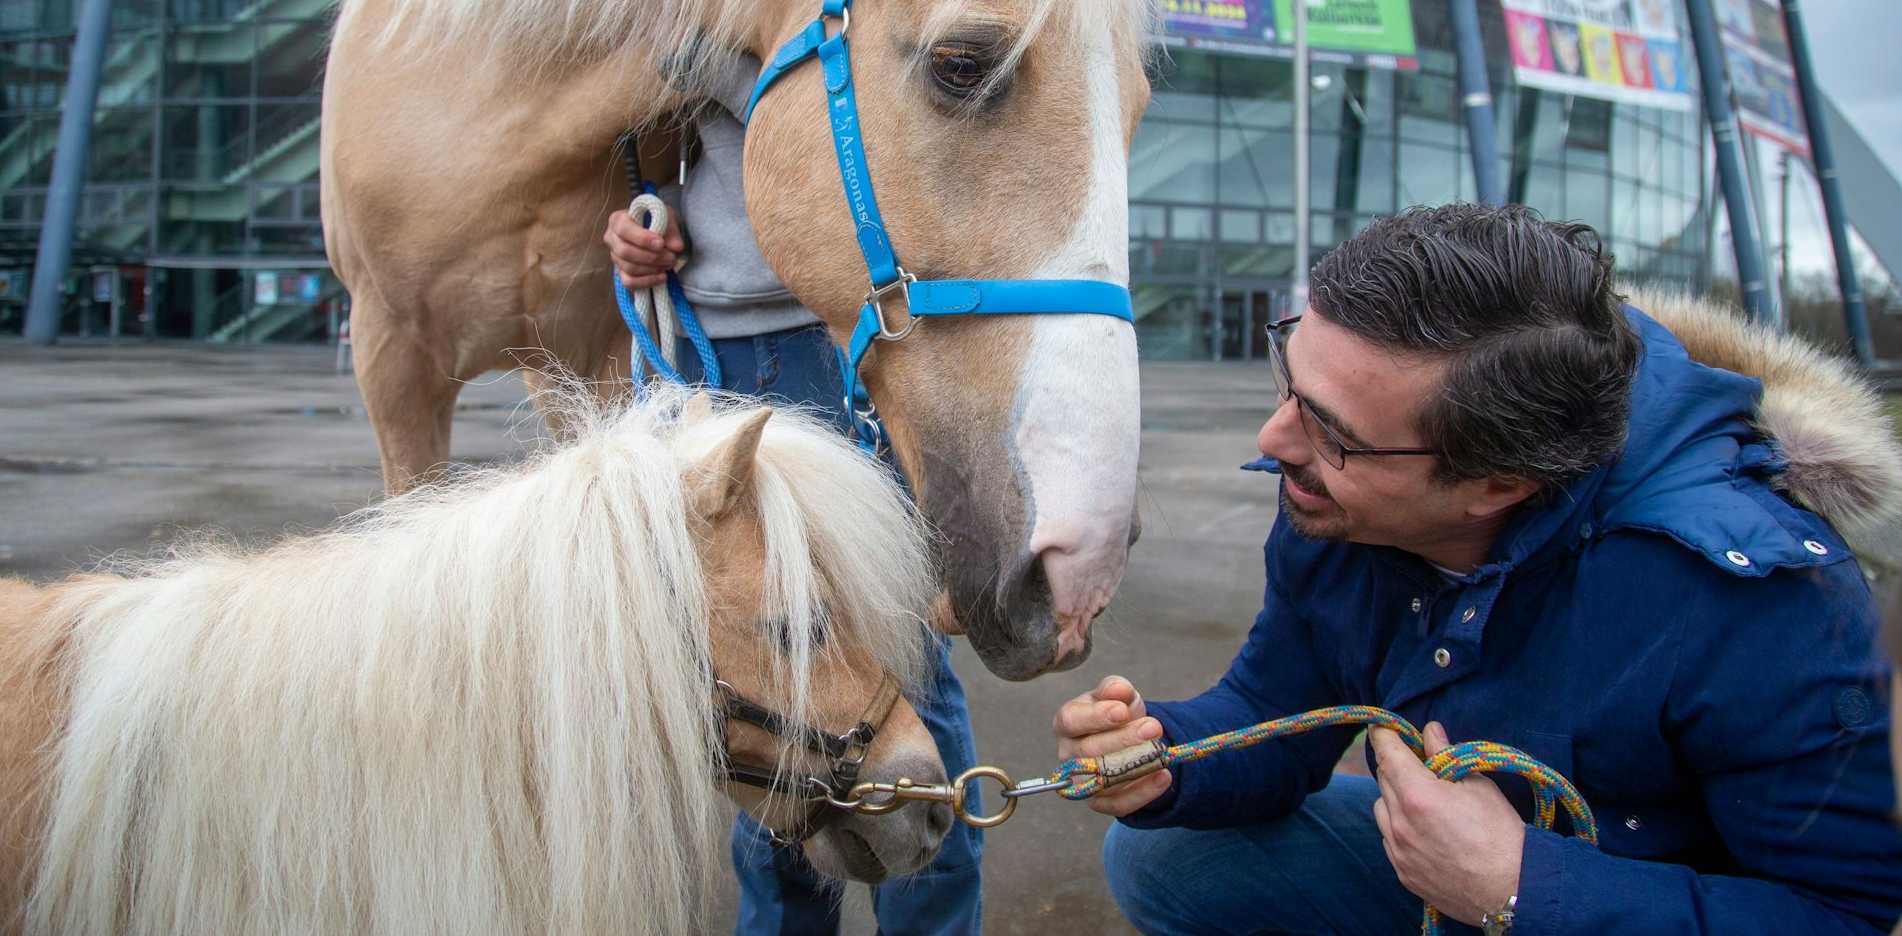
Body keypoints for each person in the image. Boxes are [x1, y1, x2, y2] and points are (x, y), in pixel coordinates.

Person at [1054, 204, 1902, 935]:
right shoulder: (1336, 506)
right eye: (1290, 379)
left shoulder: (1761, 600)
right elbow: (1277, 709)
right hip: (1469, 876)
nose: (1274, 442)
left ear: (1497, 484)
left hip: (1622, 902)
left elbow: (1844, 914)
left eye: (1330, 430)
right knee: (1166, 854)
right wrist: (1168, 753)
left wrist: (1522, 887)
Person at [605, 54, 984, 936]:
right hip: (722, 342)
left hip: (858, 334)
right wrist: (635, 220)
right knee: (764, 670)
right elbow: (640, 138)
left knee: (901, 666)